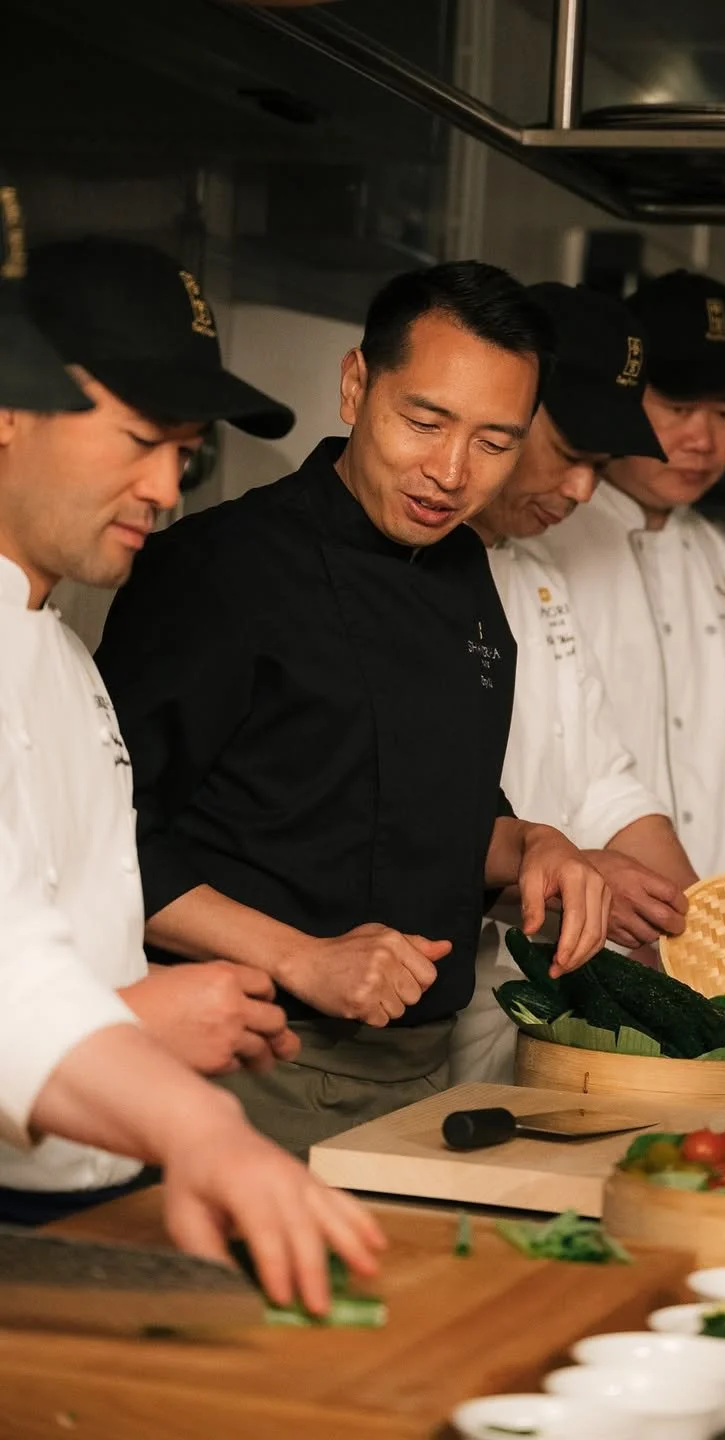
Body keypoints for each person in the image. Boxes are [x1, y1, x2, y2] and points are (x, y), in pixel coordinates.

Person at [94, 258, 611, 1157]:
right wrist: (301, 956)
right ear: (355, 386)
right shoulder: (221, 569)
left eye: (494, 443)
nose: (450, 472)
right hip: (258, 1067)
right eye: (424, 422)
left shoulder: (463, 571)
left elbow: (411, 806)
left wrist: (535, 846)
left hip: (425, 1072)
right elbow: (104, 841)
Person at [0, 184, 383, 1313]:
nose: (166, 490)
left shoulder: (58, 645)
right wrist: (174, 1087)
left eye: (184, 452)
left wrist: (142, 1013)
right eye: (139, 440)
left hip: (91, 1185)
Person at [452, 282, 698, 1084]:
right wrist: (570, 883)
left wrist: (701, 937)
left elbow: (602, 781)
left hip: (540, 1003)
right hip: (427, 1010)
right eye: (569, 454)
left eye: (600, 465)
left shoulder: (534, 578)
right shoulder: (411, 578)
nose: (585, 491)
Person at [539, 270, 725, 904]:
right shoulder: (542, 551)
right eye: (677, 408)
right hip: (593, 940)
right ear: (622, 398)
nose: (703, 440)